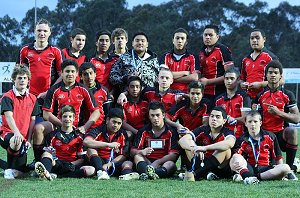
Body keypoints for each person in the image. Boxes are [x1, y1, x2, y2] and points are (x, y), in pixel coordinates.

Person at [32, 59, 100, 164]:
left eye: (73, 71)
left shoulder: (84, 89)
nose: (70, 74)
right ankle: (37, 162)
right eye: (67, 71)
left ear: (77, 74)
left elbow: (96, 111)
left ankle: (89, 164)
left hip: (78, 126)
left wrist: (85, 127)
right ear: (62, 73)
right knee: (38, 128)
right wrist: (62, 124)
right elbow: (46, 113)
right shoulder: (54, 89)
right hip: (57, 124)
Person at [253, 60, 300, 177]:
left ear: (280, 76)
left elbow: (297, 118)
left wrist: (279, 112)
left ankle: (290, 169)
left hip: (280, 135)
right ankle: (295, 165)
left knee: (292, 131)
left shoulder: (288, 95)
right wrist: (254, 111)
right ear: (266, 75)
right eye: (270, 72)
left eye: (275, 72)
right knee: (270, 167)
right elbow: (253, 118)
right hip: (264, 136)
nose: (273, 75)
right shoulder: (259, 96)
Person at [230, 110, 292, 184]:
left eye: (255, 121)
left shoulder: (270, 137)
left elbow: (278, 157)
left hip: (267, 168)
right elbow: (236, 159)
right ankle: (247, 176)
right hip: (249, 167)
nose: (252, 124)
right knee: (235, 156)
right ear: (245, 124)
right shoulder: (241, 139)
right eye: (250, 122)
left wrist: (282, 172)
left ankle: (254, 177)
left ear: (260, 123)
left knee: (286, 167)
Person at [34, 105, 95, 180]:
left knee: (91, 170)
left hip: (72, 164)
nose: (67, 119)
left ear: (74, 118)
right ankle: (46, 173)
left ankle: (57, 176)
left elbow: (81, 159)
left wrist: (71, 164)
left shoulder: (80, 137)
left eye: (70, 116)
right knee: (46, 154)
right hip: (57, 164)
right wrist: (57, 162)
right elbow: (47, 154)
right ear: (60, 118)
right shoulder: (53, 135)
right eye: (65, 116)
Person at [0, 66, 40, 179]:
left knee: (21, 172)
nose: (22, 80)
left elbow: (33, 120)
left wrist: (29, 139)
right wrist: (17, 134)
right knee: (15, 141)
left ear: (28, 80)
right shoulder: (7, 97)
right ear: (14, 79)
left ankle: (9, 169)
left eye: (24, 78)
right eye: (19, 78)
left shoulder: (33, 98)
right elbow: (8, 117)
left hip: (23, 138)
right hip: (7, 133)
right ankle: (9, 171)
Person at [179, 106, 236, 181]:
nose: (214, 119)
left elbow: (230, 143)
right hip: (202, 162)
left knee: (226, 150)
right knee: (188, 145)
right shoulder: (203, 129)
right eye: (212, 116)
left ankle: (195, 174)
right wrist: (194, 148)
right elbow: (182, 140)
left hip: (219, 167)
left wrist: (204, 148)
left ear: (224, 121)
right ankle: (205, 173)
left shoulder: (227, 132)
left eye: (218, 117)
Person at [84, 108, 138, 180]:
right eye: (114, 122)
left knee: (128, 163)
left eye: (119, 123)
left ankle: (125, 175)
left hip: (113, 163)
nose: (116, 125)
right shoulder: (98, 130)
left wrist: (109, 164)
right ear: (107, 120)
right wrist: (108, 144)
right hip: (98, 162)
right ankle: (101, 172)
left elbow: (123, 155)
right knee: (91, 150)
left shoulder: (123, 134)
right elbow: (86, 141)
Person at [131, 101, 180, 180]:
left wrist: (157, 162)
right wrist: (142, 151)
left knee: (171, 164)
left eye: (158, 115)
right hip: (147, 162)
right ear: (149, 116)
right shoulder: (143, 131)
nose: (155, 118)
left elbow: (173, 155)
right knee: (137, 156)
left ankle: (150, 173)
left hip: (162, 162)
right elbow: (133, 151)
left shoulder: (171, 132)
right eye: (152, 115)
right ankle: (150, 172)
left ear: (163, 115)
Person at [17, 19, 63, 100]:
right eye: (39, 30)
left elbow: (62, 75)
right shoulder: (24, 50)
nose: (42, 33)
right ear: (34, 31)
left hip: (49, 96)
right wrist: (23, 91)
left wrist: (50, 92)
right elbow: (18, 73)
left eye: (45, 31)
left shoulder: (56, 51)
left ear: (50, 33)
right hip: (28, 95)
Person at [240, 29, 278, 99]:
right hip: (248, 98)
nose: (254, 40)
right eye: (252, 38)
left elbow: (281, 80)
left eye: (257, 38)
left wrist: (261, 84)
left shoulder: (270, 57)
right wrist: (241, 84)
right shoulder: (245, 59)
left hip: (267, 98)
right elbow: (241, 79)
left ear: (264, 39)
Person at [199, 24, 234, 100]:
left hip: (220, 93)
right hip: (203, 93)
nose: (207, 37)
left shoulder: (223, 50)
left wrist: (208, 82)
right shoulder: (202, 51)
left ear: (217, 37)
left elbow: (230, 75)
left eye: (210, 35)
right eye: (205, 35)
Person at [160, 28, 200, 93]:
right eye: (177, 38)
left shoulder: (193, 57)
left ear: (186, 42)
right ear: (173, 40)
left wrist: (171, 78)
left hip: (186, 94)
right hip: (167, 93)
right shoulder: (165, 57)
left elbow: (195, 78)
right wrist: (184, 73)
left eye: (182, 38)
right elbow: (163, 75)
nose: (180, 41)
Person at [215, 67, 251, 138]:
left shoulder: (244, 97)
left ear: (238, 80)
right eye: (227, 78)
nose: (229, 81)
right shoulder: (218, 99)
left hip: (241, 136)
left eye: (232, 78)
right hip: (222, 136)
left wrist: (234, 120)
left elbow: (246, 119)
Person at [79, 62, 109, 127]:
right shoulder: (77, 90)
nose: (89, 76)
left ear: (95, 74)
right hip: (81, 127)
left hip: (100, 127)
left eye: (91, 73)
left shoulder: (104, 91)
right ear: (81, 77)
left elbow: (108, 113)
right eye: (85, 74)